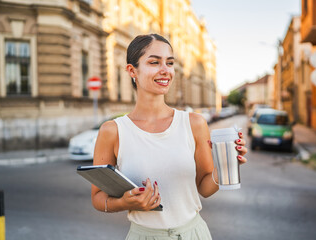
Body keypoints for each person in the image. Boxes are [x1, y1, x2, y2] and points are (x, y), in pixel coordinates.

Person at [91, 33, 248, 239]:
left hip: (193, 234)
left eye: (170, 62)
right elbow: (98, 197)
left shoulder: (194, 124)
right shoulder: (112, 131)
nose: (166, 70)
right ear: (132, 71)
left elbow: (205, 187)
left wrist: (226, 168)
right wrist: (124, 203)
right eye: (154, 62)